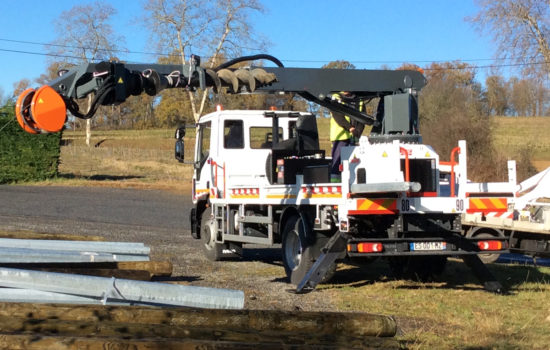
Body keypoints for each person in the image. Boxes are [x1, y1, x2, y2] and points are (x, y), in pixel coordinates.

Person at [329, 92, 364, 181]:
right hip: (340, 136)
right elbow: (338, 117)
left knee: (354, 161)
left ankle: (352, 181)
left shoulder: (359, 101)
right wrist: (350, 128)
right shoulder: (336, 97)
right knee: (337, 161)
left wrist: (358, 132)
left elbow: (363, 118)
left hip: (354, 136)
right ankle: (335, 183)